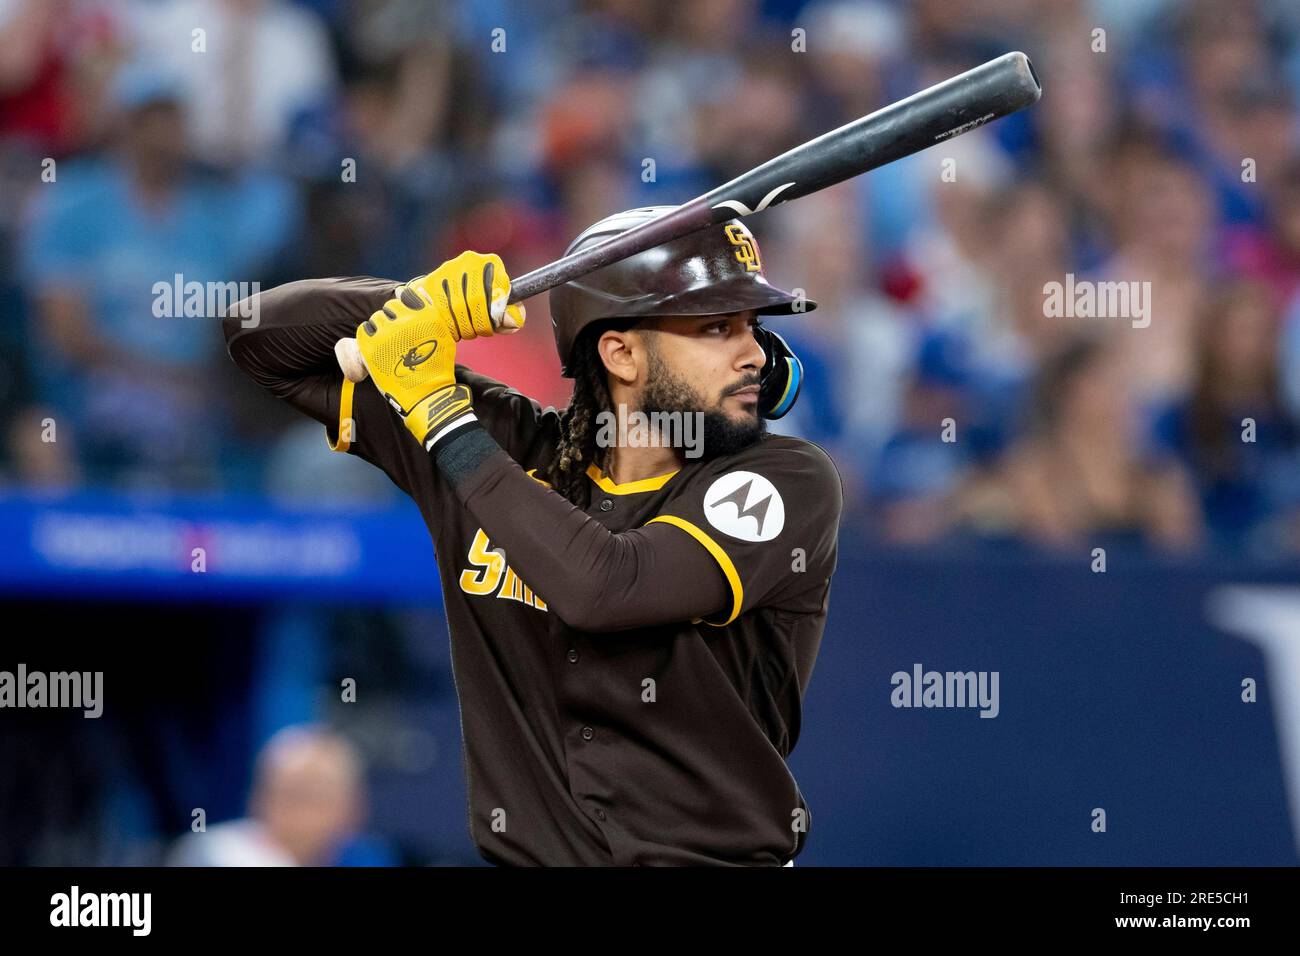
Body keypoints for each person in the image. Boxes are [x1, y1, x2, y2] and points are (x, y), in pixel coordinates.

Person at [222, 207, 843, 866]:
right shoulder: (511, 441)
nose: (755, 353)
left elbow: (605, 587)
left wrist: (440, 418)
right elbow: (257, 334)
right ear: (621, 352)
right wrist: (413, 301)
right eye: (718, 327)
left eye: (753, 325)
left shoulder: (786, 479)